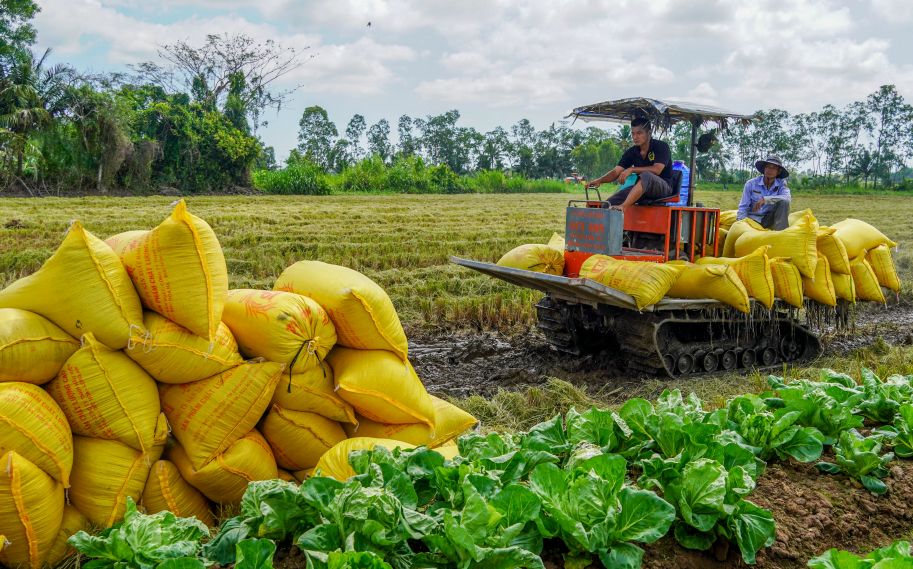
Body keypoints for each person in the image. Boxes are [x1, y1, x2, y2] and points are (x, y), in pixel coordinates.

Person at [585, 116, 675, 211]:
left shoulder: (661, 146)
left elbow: (657, 170)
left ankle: (624, 206)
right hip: (641, 188)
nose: (635, 137)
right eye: (633, 134)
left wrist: (631, 169)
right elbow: (616, 171)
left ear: (649, 133)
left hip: (663, 188)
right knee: (608, 204)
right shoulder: (632, 152)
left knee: (646, 175)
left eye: (639, 133)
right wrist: (599, 180)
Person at [737, 155, 791, 230]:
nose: (770, 170)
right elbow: (743, 206)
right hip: (752, 220)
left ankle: (780, 233)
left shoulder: (781, 184)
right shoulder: (751, 184)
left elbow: (787, 198)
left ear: (778, 172)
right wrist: (741, 223)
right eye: (768, 166)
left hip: (768, 219)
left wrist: (766, 199)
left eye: (774, 168)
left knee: (784, 202)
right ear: (764, 168)